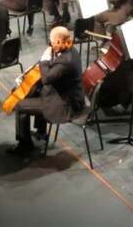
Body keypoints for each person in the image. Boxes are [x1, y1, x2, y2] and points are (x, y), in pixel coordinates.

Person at [7, 26, 85, 155]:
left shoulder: (65, 61)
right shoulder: (71, 49)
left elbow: (46, 78)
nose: (50, 43)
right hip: (69, 95)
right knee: (39, 91)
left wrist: (45, 59)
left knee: (21, 105)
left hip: (66, 105)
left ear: (59, 41)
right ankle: (41, 132)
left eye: (51, 40)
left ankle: (25, 145)